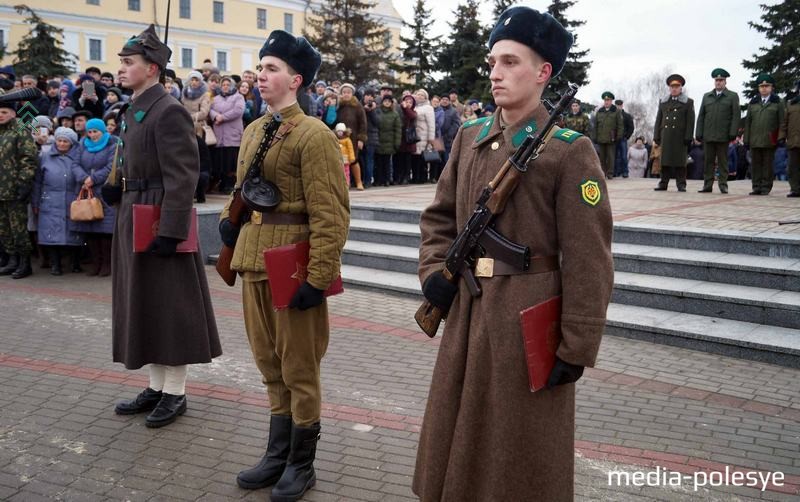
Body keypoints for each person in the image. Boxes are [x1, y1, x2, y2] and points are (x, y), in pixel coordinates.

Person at [414, 7, 613, 501]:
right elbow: (439, 219)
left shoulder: (570, 151)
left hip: (527, 323)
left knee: (517, 458)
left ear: (544, 72)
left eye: (510, 62)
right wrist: (434, 272)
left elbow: (590, 260)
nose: (496, 73)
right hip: (467, 309)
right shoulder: (469, 137)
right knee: (456, 439)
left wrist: (576, 344)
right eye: (492, 62)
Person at [217, 29, 349, 502]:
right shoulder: (254, 129)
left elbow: (331, 212)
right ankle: (276, 454)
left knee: (300, 368)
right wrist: (229, 227)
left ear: (296, 80)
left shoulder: (313, 135)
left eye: (271, 68)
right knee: (269, 364)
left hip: (292, 265)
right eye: (260, 66)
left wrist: (318, 277)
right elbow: (243, 192)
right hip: (253, 259)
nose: (260, 75)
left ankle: (301, 463)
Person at [107, 24, 221, 428]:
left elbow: (183, 176)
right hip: (134, 212)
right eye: (121, 62)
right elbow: (127, 159)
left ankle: (175, 392)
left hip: (157, 217)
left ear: (152, 68)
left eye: (128, 62)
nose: (120, 69)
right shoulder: (137, 106)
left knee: (170, 306)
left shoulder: (168, 109)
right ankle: (156, 386)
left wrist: (171, 230)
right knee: (145, 302)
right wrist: (112, 187)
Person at [32, 127, 84, 275]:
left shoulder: (78, 157)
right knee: (51, 233)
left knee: (75, 232)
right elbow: (37, 182)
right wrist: (36, 203)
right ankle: (56, 264)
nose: (61, 144)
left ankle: (75, 263)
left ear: (72, 143)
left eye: (65, 141)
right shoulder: (45, 157)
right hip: (50, 200)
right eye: (59, 140)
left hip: (72, 199)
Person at [70, 118, 116, 276]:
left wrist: (94, 178)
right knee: (90, 230)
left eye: (95, 131)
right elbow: (74, 164)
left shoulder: (111, 144)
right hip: (86, 191)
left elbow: (112, 166)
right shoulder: (82, 144)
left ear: (102, 131)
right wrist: (83, 178)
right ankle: (95, 263)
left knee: (105, 231)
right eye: (89, 132)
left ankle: (107, 264)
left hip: (104, 191)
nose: (92, 135)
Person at [0, 99, 39, 279]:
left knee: (19, 229)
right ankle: (12, 260)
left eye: (5, 112)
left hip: (15, 189)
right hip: (1, 190)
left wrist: (24, 182)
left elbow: (28, 158)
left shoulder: (20, 130)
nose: (1, 115)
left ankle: (25, 264)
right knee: (4, 229)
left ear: (14, 114)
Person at [696, 68, 740, 193]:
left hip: (723, 135)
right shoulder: (707, 96)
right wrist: (698, 133)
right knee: (708, 162)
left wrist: (733, 132)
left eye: (721, 80)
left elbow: (735, 116)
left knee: (723, 162)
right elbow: (701, 116)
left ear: (725, 82)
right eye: (716, 80)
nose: (718, 82)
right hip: (708, 135)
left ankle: (723, 185)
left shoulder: (732, 96)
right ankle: (707, 185)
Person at [744, 74, 786, 195]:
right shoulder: (753, 103)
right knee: (755, 165)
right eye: (761, 86)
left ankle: (766, 187)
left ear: (771, 87)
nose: (764, 88)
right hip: (755, 139)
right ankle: (756, 186)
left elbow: (782, 122)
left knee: (767, 165)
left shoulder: (777, 102)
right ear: (758, 88)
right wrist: (746, 140)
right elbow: (748, 123)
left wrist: (780, 137)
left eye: (767, 86)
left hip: (770, 139)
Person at [653, 74, 695, 192]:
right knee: (665, 161)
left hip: (680, 137)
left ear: (681, 88)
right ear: (669, 88)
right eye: (672, 87)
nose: (674, 89)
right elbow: (658, 120)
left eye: (677, 86)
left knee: (680, 162)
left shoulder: (688, 102)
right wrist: (656, 135)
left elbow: (690, 122)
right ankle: (663, 183)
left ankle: (681, 184)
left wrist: (688, 137)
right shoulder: (664, 102)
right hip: (666, 135)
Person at [210, 76, 245, 193]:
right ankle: (222, 184)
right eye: (223, 85)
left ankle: (230, 185)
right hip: (220, 135)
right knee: (221, 162)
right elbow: (210, 110)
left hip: (233, 134)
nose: (225, 87)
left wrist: (222, 117)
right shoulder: (215, 99)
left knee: (231, 162)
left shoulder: (238, 97)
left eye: (227, 85)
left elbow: (238, 110)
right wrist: (215, 116)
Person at [336, 83, 367, 189]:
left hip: (353, 138)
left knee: (354, 160)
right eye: (344, 92)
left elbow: (363, 123)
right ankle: (343, 183)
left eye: (348, 92)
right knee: (340, 161)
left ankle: (359, 182)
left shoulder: (357, 105)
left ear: (352, 93)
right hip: (339, 137)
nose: (346, 94)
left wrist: (361, 139)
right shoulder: (338, 105)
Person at [591, 91, 623, 179]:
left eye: (608, 100)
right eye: (605, 100)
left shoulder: (616, 111)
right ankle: (602, 173)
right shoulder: (600, 111)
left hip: (611, 138)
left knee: (610, 157)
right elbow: (595, 126)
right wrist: (594, 137)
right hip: (601, 138)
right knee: (601, 157)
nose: (606, 102)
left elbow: (620, 125)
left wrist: (618, 136)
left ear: (611, 101)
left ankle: (610, 173)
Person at [374, 95, 401, 186]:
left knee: (387, 162)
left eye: (389, 102)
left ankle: (387, 180)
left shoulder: (395, 114)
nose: (387, 103)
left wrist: (397, 142)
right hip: (379, 139)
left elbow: (398, 129)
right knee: (378, 163)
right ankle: (378, 180)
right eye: (385, 101)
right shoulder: (377, 112)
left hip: (390, 141)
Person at [412, 89, 436, 184]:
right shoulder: (415, 106)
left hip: (424, 136)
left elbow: (431, 124)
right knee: (415, 158)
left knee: (422, 158)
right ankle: (415, 177)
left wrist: (431, 138)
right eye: (418, 95)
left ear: (426, 97)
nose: (420, 96)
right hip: (415, 136)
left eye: (422, 95)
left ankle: (422, 177)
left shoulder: (428, 108)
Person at [396, 94, 418, 185]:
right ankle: (399, 177)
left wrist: (406, 108)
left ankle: (407, 176)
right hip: (400, 138)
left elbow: (412, 116)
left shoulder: (413, 112)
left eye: (410, 102)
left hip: (409, 139)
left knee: (407, 160)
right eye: (406, 101)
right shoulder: (398, 110)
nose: (408, 103)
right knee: (400, 159)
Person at [783, 80, 800, 197]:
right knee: (792, 168)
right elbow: (784, 123)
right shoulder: (791, 104)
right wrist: (781, 137)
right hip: (793, 141)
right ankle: (795, 189)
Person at [614, 99, 634, 177]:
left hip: (623, 138)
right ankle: (615, 172)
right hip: (614, 139)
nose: (618, 107)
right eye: (617, 106)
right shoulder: (613, 115)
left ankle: (625, 172)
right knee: (615, 156)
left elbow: (631, 127)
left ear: (622, 106)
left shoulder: (627, 116)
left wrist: (626, 136)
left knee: (623, 156)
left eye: (619, 106)